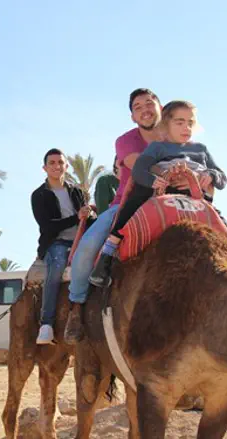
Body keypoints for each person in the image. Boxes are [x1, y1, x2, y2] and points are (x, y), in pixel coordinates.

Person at [88, 100, 227, 288]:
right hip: (162, 188)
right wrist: (153, 181)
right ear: (165, 124)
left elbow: (222, 178)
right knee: (137, 193)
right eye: (179, 122)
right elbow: (139, 169)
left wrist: (209, 175)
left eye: (190, 122)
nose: (186, 127)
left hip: (194, 196)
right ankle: (109, 249)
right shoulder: (157, 148)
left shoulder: (200, 150)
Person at [64, 88, 165, 344]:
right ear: (133, 116)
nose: (144, 108)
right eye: (137, 106)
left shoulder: (178, 136)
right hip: (127, 205)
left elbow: (200, 162)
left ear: (160, 106)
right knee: (87, 247)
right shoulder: (125, 140)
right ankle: (76, 306)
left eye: (149, 103)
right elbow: (138, 164)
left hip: (171, 204)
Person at [30, 148, 92, 344]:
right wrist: (77, 217)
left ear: (66, 166)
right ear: (45, 168)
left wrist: (90, 215)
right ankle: (46, 324)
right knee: (57, 267)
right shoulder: (39, 195)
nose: (57, 166)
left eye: (60, 162)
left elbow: (86, 221)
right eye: (52, 163)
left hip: (81, 241)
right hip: (55, 243)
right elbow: (48, 226)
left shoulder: (78, 192)